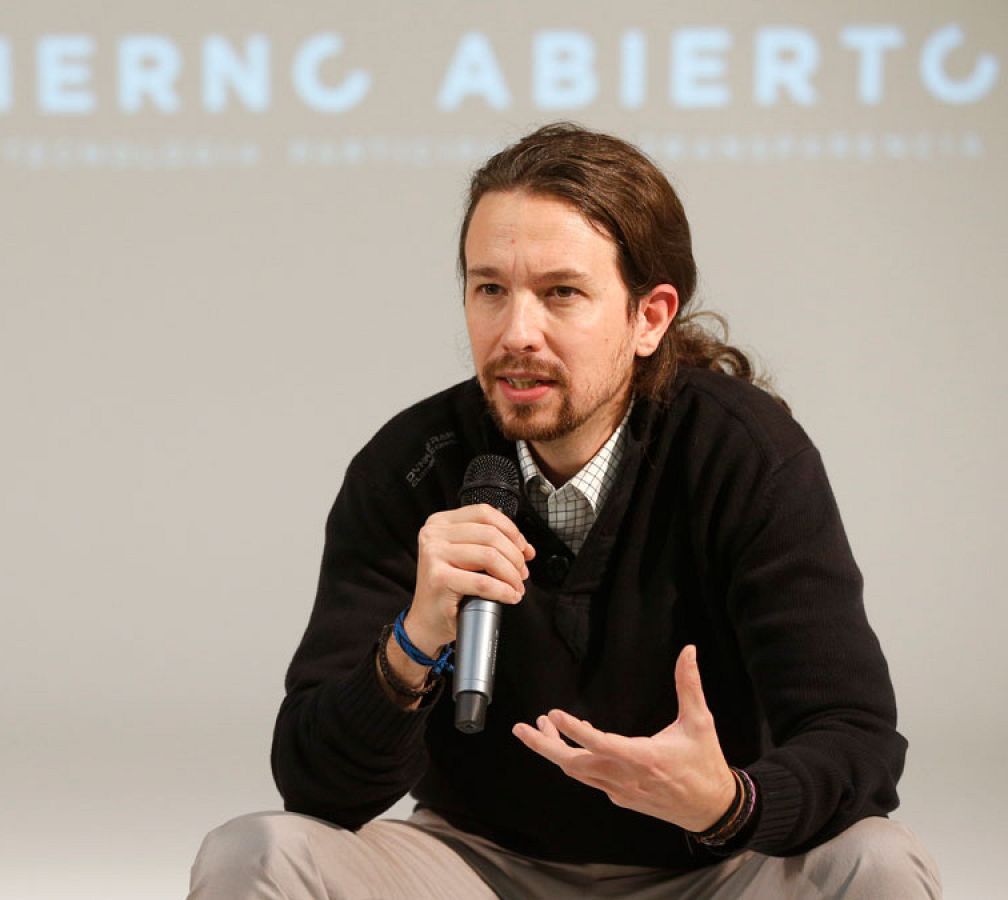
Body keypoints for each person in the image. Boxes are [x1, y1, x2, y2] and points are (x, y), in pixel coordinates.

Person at [190, 124, 941, 897]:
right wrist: (412, 645)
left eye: (561, 294)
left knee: (877, 862)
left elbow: (856, 743)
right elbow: (316, 788)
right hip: (476, 867)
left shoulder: (743, 454)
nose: (516, 334)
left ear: (650, 317)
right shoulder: (412, 465)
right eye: (490, 290)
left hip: (712, 868)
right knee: (253, 853)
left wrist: (729, 804)